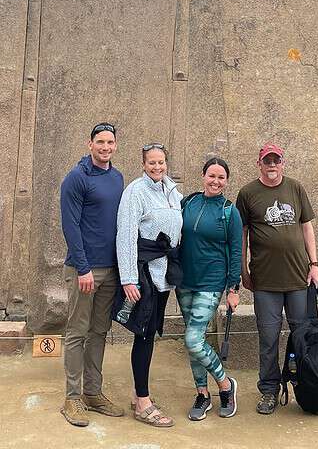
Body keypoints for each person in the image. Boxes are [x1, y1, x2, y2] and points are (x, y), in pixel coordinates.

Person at [236, 142, 318, 416]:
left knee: (303, 338)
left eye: (276, 160)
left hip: (299, 278)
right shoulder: (248, 193)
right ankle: (268, 391)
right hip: (265, 282)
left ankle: (307, 391)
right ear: (259, 164)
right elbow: (241, 235)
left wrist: (314, 265)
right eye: (267, 160)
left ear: (283, 163)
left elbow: (307, 227)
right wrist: (243, 271)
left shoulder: (295, 188)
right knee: (268, 339)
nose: (272, 165)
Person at [59, 122, 126, 427]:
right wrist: (83, 268)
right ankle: (72, 398)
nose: (105, 147)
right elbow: (71, 226)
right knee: (77, 332)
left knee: (99, 332)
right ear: (90, 144)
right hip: (83, 270)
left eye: (110, 142)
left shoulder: (116, 178)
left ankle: (93, 393)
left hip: (110, 270)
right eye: (100, 142)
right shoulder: (76, 178)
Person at [116, 143, 183, 428]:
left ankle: (136, 391)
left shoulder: (173, 191)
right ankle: (143, 402)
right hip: (143, 271)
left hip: (164, 274)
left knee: (150, 332)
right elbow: (126, 234)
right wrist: (128, 278)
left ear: (167, 163)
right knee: (143, 334)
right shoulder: (135, 192)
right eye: (151, 163)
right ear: (143, 165)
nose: (157, 167)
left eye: (161, 162)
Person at [176, 157, 242, 421]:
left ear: (226, 181)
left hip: (211, 282)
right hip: (185, 282)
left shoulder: (229, 211)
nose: (215, 181)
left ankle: (226, 385)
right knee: (196, 342)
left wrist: (233, 288)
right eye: (211, 176)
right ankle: (202, 394)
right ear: (203, 176)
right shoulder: (188, 203)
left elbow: (236, 250)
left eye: (221, 177)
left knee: (192, 339)